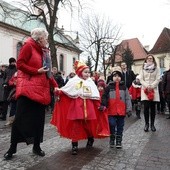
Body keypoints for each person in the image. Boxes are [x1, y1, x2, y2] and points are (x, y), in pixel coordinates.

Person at [4, 27, 58, 160]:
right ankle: (12, 148)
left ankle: (36, 147)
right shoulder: (28, 46)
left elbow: (48, 73)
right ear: (39, 39)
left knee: (38, 121)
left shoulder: (45, 52)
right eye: (45, 38)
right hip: (28, 90)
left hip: (41, 91)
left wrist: (55, 86)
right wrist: (36, 71)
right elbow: (20, 64)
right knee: (20, 120)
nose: (47, 40)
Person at [51, 60, 110, 155]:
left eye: (88, 72)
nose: (87, 74)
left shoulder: (91, 82)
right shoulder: (74, 81)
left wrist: (99, 106)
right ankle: (74, 144)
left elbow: (94, 96)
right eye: (85, 72)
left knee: (89, 125)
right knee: (76, 126)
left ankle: (90, 138)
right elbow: (67, 91)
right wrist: (59, 91)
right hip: (77, 107)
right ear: (79, 72)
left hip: (89, 107)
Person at [99, 66, 132, 148]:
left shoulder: (124, 87)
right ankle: (112, 137)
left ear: (121, 77)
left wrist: (129, 109)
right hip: (111, 110)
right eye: (115, 76)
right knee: (112, 124)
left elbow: (127, 98)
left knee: (120, 126)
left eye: (118, 76)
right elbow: (104, 97)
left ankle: (118, 141)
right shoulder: (108, 87)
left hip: (121, 111)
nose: (117, 78)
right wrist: (103, 105)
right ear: (112, 77)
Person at [139, 54, 160, 132]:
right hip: (145, 90)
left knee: (153, 108)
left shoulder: (157, 68)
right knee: (146, 108)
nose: (150, 59)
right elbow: (141, 79)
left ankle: (152, 124)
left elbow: (158, 79)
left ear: (153, 59)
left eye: (151, 58)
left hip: (153, 90)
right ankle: (146, 124)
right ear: (146, 60)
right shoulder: (142, 68)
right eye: (148, 58)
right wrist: (147, 86)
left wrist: (152, 85)